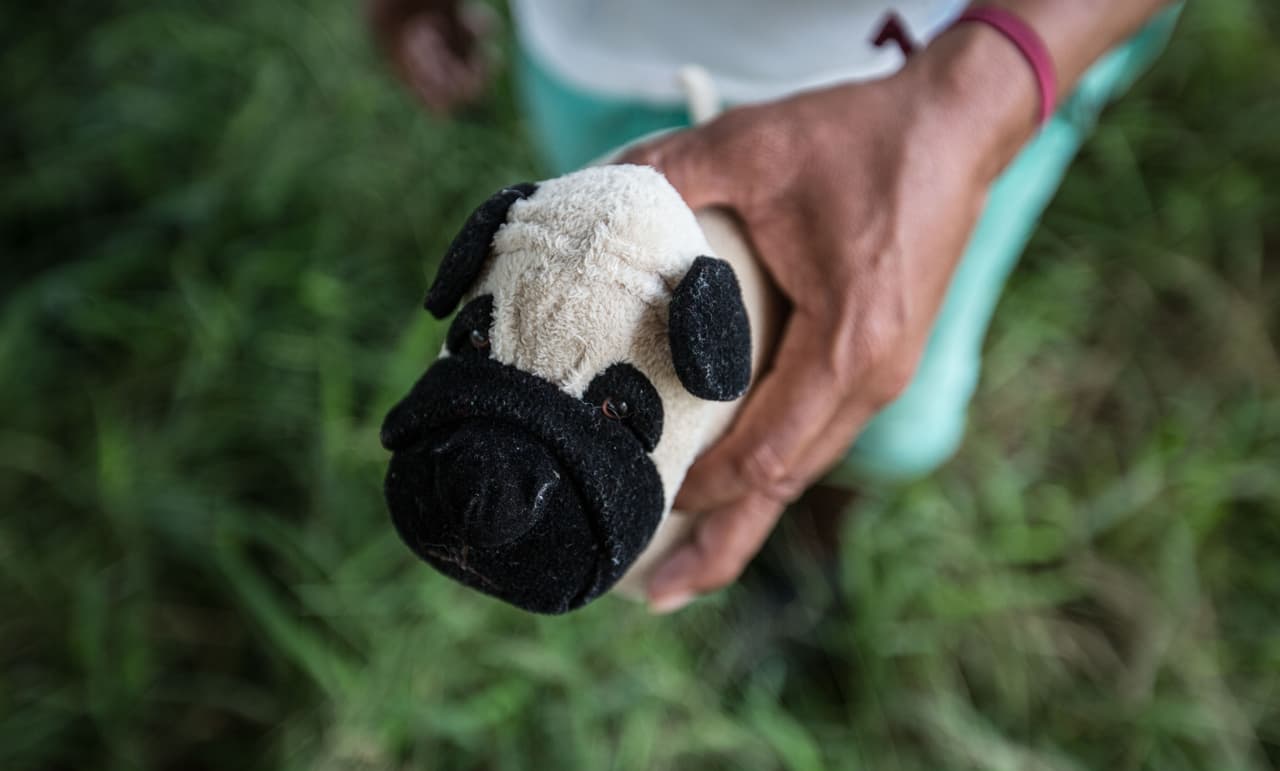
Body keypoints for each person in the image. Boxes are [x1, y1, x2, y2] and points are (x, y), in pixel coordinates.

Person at [368, 0, 1182, 613]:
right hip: (599, 45)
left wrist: (973, 101)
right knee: (601, 278)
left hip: (939, 63)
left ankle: (816, 523)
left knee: (887, 404)